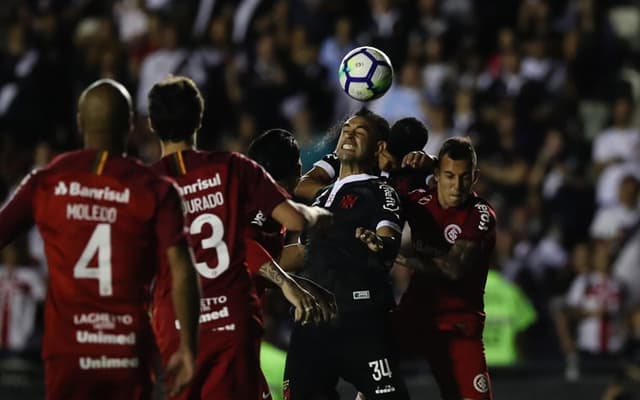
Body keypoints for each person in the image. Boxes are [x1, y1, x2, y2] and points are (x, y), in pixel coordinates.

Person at [0, 79, 200, 400]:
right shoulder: (156, 189)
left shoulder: (46, 181)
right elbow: (182, 269)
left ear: (80, 123)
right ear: (129, 125)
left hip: (67, 354)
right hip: (126, 353)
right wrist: (189, 347)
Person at [147, 75, 333, 400]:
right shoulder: (233, 167)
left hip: (176, 324)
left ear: (150, 123)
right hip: (230, 320)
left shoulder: (146, 184)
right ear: (199, 117)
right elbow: (284, 224)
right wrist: (322, 215)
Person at [284, 108, 410, 400]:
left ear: (379, 147)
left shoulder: (380, 190)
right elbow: (304, 252)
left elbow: (388, 238)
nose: (350, 135)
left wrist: (380, 245)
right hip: (311, 323)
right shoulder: (321, 194)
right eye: (346, 130)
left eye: (360, 132)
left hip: (359, 320)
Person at [394, 137, 497, 400]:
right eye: (449, 175)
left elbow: (452, 269)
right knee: (374, 370)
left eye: (464, 177)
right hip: (417, 314)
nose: (457, 185)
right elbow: (382, 184)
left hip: (459, 325)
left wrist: (395, 255)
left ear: (475, 177)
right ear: (437, 174)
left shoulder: (481, 214)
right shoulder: (416, 201)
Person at [246, 128, 337, 400]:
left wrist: (299, 284)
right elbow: (241, 249)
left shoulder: (252, 199)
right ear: (298, 168)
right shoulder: (262, 203)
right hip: (224, 324)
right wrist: (287, 283)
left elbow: (252, 265)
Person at [294, 116, 434, 202]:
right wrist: (343, 197)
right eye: (385, 156)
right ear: (380, 145)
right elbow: (302, 185)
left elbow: (447, 180)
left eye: (392, 165)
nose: (385, 165)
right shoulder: (351, 154)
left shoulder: (413, 172)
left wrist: (434, 163)